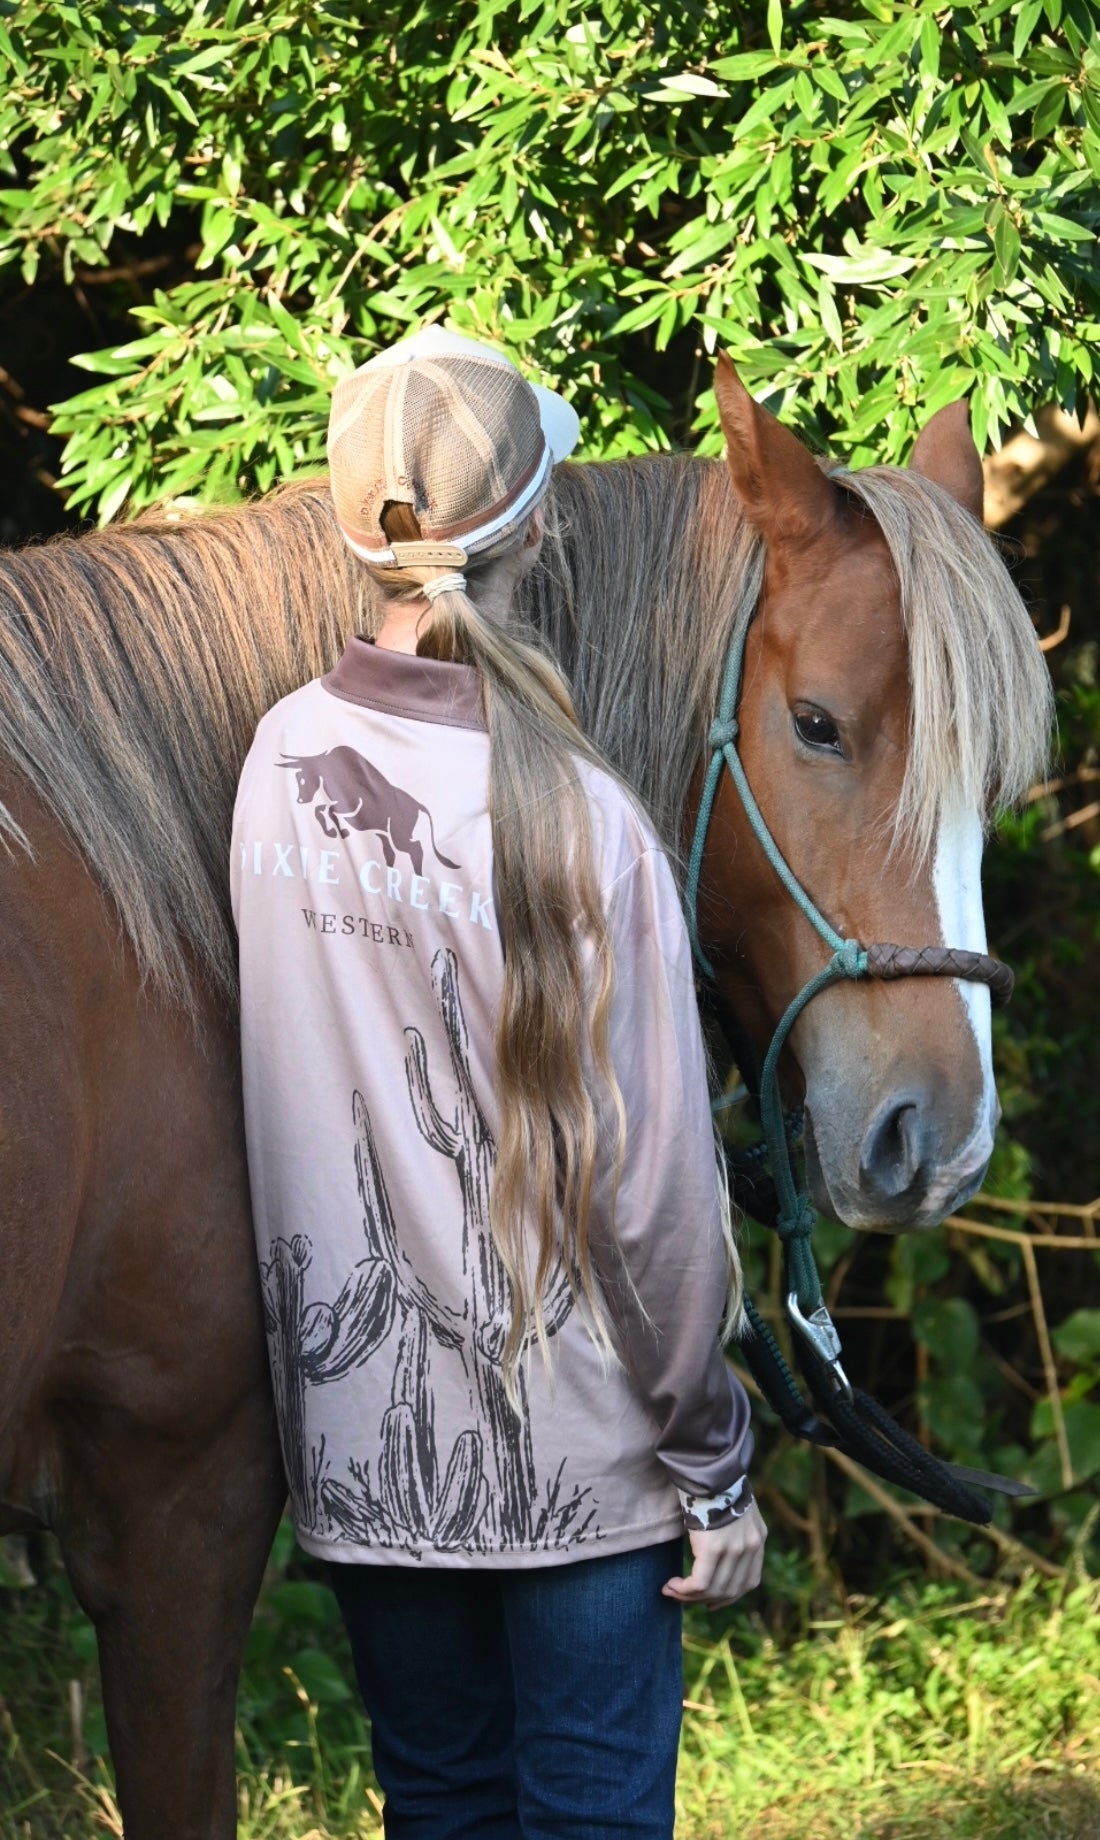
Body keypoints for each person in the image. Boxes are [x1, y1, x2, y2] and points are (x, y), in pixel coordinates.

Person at [231, 325, 766, 1840]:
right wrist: (713, 1467)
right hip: (586, 1472)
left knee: (440, 1804)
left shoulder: (273, 766)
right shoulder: (585, 821)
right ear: (537, 524)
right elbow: (650, 1194)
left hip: (364, 1465)